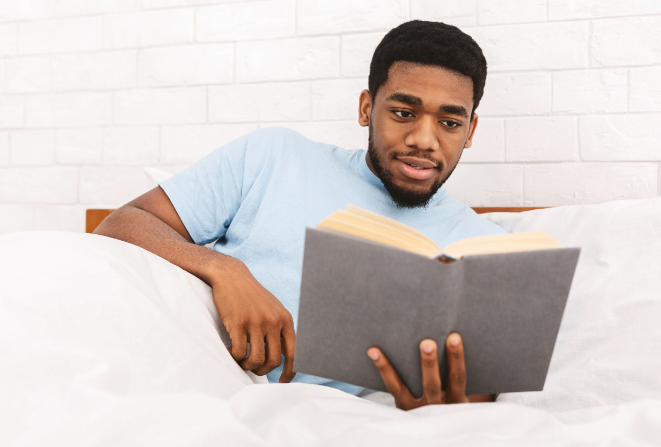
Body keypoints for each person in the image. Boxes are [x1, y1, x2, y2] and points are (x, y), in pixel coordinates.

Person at [95, 20, 504, 410]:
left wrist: (435, 407)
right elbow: (120, 224)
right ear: (366, 108)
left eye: (450, 122)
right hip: (184, 377)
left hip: (319, 421)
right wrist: (224, 270)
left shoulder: (482, 245)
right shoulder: (275, 155)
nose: (423, 140)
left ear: (470, 131)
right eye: (402, 113)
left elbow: (480, 394)